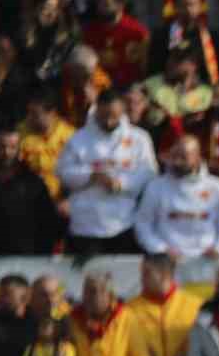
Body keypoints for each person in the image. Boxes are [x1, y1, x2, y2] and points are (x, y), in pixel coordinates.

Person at [56, 89, 158, 254]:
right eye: (104, 116)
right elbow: (63, 172)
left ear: (123, 111)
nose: (109, 122)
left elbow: (148, 172)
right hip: (86, 224)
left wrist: (122, 184)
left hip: (124, 223)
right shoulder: (78, 138)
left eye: (114, 116)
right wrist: (91, 176)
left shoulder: (139, 138)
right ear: (96, 111)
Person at [133, 134, 219, 260]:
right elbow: (142, 224)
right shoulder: (156, 187)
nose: (177, 161)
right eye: (175, 155)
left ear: (198, 157)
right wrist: (160, 249)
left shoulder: (217, 187)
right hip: (167, 261)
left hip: (207, 262)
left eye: (183, 156)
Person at [124, 253, 202, 356]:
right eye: (142, 273)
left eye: (147, 273)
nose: (141, 278)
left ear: (165, 275)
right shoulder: (129, 309)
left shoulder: (194, 306)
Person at [67, 270, 150, 356]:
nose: (93, 297)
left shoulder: (126, 318)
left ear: (111, 295)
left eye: (100, 291)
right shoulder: (71, 320)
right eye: (88, 291)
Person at [0, 128, 58, 258]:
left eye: (12, 147)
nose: (7, 152)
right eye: (1, 147)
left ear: (19, 150)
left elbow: (47, 224)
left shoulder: (33, 182)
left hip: (25, 256)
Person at [81, 0, 150, 89]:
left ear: (120, 5)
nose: (101, 8)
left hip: (129, 86)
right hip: (99, 86)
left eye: (106, 4)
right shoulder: (90, 31)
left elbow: (144, 66)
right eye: (100, 4)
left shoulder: (137, 32)